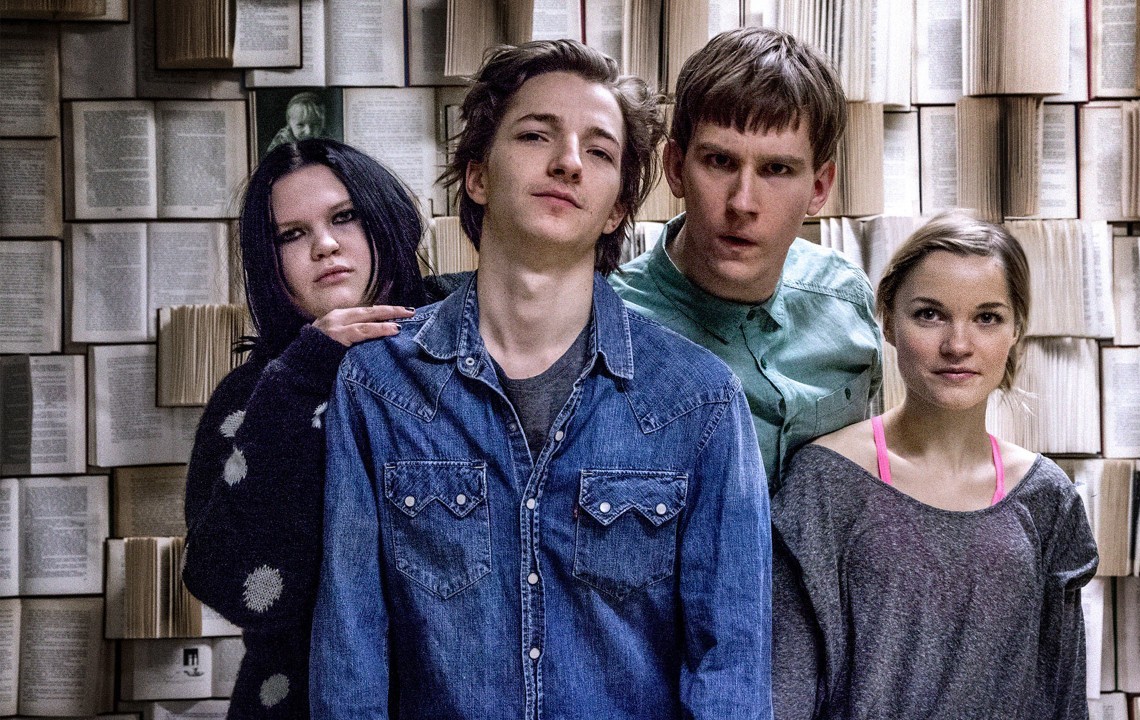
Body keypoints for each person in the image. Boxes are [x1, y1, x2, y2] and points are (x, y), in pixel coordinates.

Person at [310, 39, 772, 719]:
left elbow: (730, 670)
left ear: (616, 210)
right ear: (477, 176)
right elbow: (351, 650)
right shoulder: (380, 384)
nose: (568, 162)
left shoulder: (698, 400)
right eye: (535, 135)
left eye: (600, 151)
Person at [771, 213, 1099, 719]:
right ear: (888, 321)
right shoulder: (825, 481)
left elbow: (1063, 697)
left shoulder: (1046, 497)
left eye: (987, 318)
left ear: (1016, 329)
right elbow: (786, 690)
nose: (958, 345)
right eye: (929, 314)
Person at [183, 138, 446, 718]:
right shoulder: (253, 395)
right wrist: (301, 377)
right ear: (270, 261)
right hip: (292, 698)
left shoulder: (468, 341)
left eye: (344, 217)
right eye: (292, 234)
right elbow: (227, 580)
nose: (324, 245)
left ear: (388, 219)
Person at [611, 27, 882, 492]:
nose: (742, 203)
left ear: (819, 188)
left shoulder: (846, 300)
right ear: (675, 168)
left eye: (776, 169)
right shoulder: (608, 324)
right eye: (720, 161)